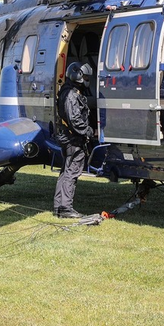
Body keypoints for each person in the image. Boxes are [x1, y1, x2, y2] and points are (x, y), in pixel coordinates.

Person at [54, 61, 95, 218]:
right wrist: (88, 131)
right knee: (72, 172)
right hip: (73, 139)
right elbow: (75, 120)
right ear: (78, 76)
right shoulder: (72, 95)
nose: (86, 80)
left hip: (66, 137)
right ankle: (65, 208)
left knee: (65, 171)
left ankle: (59, 206)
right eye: (85, 76)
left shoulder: (68, 91)